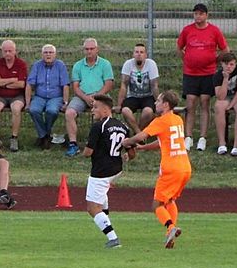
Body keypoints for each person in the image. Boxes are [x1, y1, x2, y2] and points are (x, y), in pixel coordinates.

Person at [123, 91, 192, 249]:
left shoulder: (160, 121)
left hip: (170, 168)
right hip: (185, 167)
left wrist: (127, 142)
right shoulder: (178, 119)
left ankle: (170, 227)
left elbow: (141, 136)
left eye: (158, 101)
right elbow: (163, 141)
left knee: (157, 205)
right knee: (170, 200)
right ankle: (170, 234)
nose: (155, 103)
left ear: (166, 104)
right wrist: (143, 148)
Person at [177, 2, 229, 152]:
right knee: (190, 102)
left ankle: (202, 137)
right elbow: (179, 48)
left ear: (206, 15)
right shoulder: (187, 30)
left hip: (208, 73)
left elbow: (225, 49)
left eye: (200, 14)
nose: (197, 16)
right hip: (190, 73)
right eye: (195, 14)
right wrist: (187, 60)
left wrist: (215, 60)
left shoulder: (214, 30)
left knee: (205, 102)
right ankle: (188, 137)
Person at [81, 95, 130, 249]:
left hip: (101, 171)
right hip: (116, 169)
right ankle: (105, 221)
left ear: (105, 109)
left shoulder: (99, 126)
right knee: (101, 197)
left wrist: (82, 152)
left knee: (92, 207)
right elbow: (131, 152)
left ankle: (113, 238)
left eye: (95, 107)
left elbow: (88, 152)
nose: (92, 110)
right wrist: (127, 155)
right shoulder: (123, 126)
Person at [64, 38, 115, 157]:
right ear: (83, 50)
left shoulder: (105, 64)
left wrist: (97, 97)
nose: (89, 51)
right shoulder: (78, 65)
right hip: (82, 96)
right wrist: (85, 97)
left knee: (104, 113)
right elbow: (75, 87)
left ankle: (104, 143)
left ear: (97, 49)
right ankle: (73, 144)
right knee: (69, 113)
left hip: (101, 95)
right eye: (87, 49)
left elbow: (109, 84)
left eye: (92, 49)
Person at [25, 44, 70, 150]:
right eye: (45, 52)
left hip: (55, 97)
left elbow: (65, 85)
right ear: (42, 54)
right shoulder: (37, 65)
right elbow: (29, 84)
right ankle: (44, 136)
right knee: (33, 110)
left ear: (55, 54)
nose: (48, 54)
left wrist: (65, 102)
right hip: (39, 96)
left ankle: (44, 135)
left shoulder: (60, 66)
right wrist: (27, 103)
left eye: (51, 52)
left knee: (52, 111)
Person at [0, 39, 27, 153]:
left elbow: (21, 84)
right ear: (2, 52)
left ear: (15, 51)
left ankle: (14, 138)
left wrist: (2, 82)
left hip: (17, 95)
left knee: (16, 108)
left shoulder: (21, 64)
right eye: (5, 51)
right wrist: (12, 80)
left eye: (10, 51)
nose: (7, 53)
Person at [115, 43, 159, 135]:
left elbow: (154, 86)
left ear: (146, 55)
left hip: (148, 96)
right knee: (125, 110)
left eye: (141, 52)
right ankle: (139, 134)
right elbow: (124, 85)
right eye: (137, 52)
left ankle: (136, 135)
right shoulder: (128, 64)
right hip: (132, 96)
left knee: (148, 112)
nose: (139, 54)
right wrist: (119, 104)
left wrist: (158, 103)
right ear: (133, 54)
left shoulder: (151, 64)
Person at [213, 52, 237, 156]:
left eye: (231, 64)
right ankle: (222, 143)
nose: (229, 67)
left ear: (235, 64)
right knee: (219, 106)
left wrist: (231, 105)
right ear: (222, 64)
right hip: (226, 97)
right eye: (226, 64)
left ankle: (236, 145)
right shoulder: (218, 75)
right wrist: (225, 79)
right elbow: (220, 96)